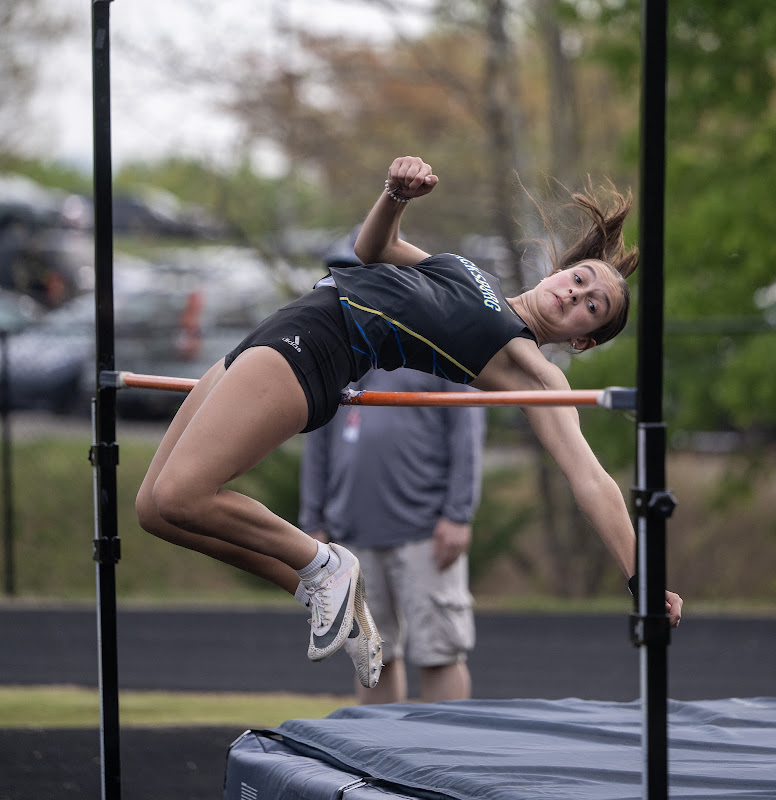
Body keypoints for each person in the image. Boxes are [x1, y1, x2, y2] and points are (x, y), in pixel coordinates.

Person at [136, 155, 683, 695]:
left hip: (322, 345)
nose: (575, 294)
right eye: (580, 279)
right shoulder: (471, 273)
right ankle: (323, 588)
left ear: (583, 340)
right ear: (561, 269)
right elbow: (371, 251)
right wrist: (395, 195)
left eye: (593, 306)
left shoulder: (530, 365)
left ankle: (326, 568)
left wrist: (643, 579)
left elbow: (590, 478)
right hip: (291, 320)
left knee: (185, 494)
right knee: (156, 511)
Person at [300, 351, 485, 703]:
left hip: (426, 533)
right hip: (351, 537)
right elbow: (317, 444)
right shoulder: (343, 353)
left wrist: (458, 515)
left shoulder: (442, 350)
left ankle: (448, 754)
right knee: (370, 656)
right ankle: (378, 753)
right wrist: (313, 523)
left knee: (440, 653)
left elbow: (466, 432)